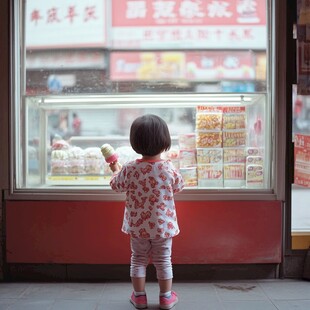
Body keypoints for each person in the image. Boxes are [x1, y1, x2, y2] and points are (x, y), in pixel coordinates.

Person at [109, 114, 184, 309]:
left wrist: (116, 170)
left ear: (135, 142)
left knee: (138, 259)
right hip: (163, 225)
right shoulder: (168, 168)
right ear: (164, 142)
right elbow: (179, 185)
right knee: (163, 260)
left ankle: (140, 297)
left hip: (138, 225)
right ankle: (166, 297)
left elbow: (116, 185)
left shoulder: (130, 169)